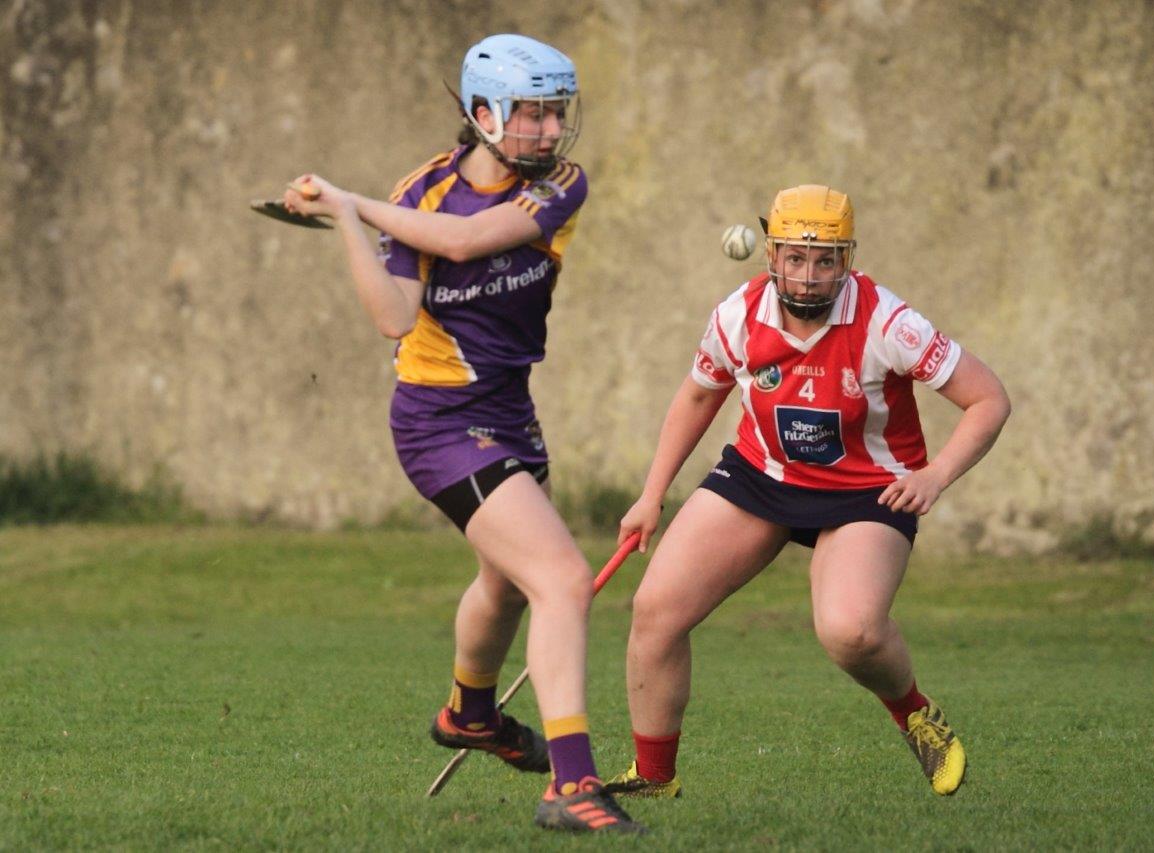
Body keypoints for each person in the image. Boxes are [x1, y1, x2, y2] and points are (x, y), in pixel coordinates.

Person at [282, 33, 641, 833]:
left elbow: (466, 243)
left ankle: (469, 714)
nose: (551, 133)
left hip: (510, 408)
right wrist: (351, 219)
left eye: (557, 113)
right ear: (482, 115)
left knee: (507, 583)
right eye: (533, 115)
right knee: (560, 579)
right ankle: (572, 786)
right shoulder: (422, 192)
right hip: (439, 419)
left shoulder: (560, 184)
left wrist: (352, 200)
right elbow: (391, 318)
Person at [605, 185, 1011, 799]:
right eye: (795, 258)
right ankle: (654, 778)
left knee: (851, 633)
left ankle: (916, 715)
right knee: (656, 612)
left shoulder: (888, 321)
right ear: (771, 256)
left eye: (826, 261)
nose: (809, 276)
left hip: (866, 493)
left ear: (848, 260)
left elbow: (989, 399)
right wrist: (651, 493)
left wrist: (935, 474)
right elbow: (698, 395)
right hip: (760, 476)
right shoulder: (737, 315)